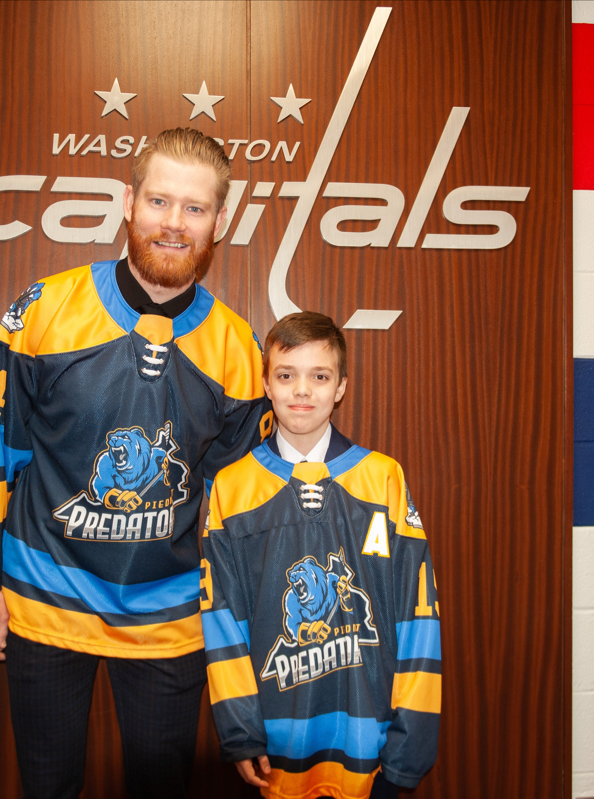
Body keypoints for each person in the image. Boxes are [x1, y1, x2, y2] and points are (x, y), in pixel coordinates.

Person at [0, 128, 271, 799]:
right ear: (128, 202)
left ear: (219, 222)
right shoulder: (43, 311)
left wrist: (241, 621)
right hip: (43, 599)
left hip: (169, 616)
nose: (174, 223)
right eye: (159, 201)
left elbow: (238, 508)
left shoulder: (238, 348)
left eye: (194, 208)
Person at [201, 312, 441, 799]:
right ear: (266, 385)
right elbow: (223, 621)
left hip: (371, 748)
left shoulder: (383, 479)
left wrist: (409, 747)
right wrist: (240, 732)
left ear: (341, 387)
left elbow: (418, 616)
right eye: (286, 375)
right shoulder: (233, 488)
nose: (302, 391)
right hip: (274, 749)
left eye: (320, 376)